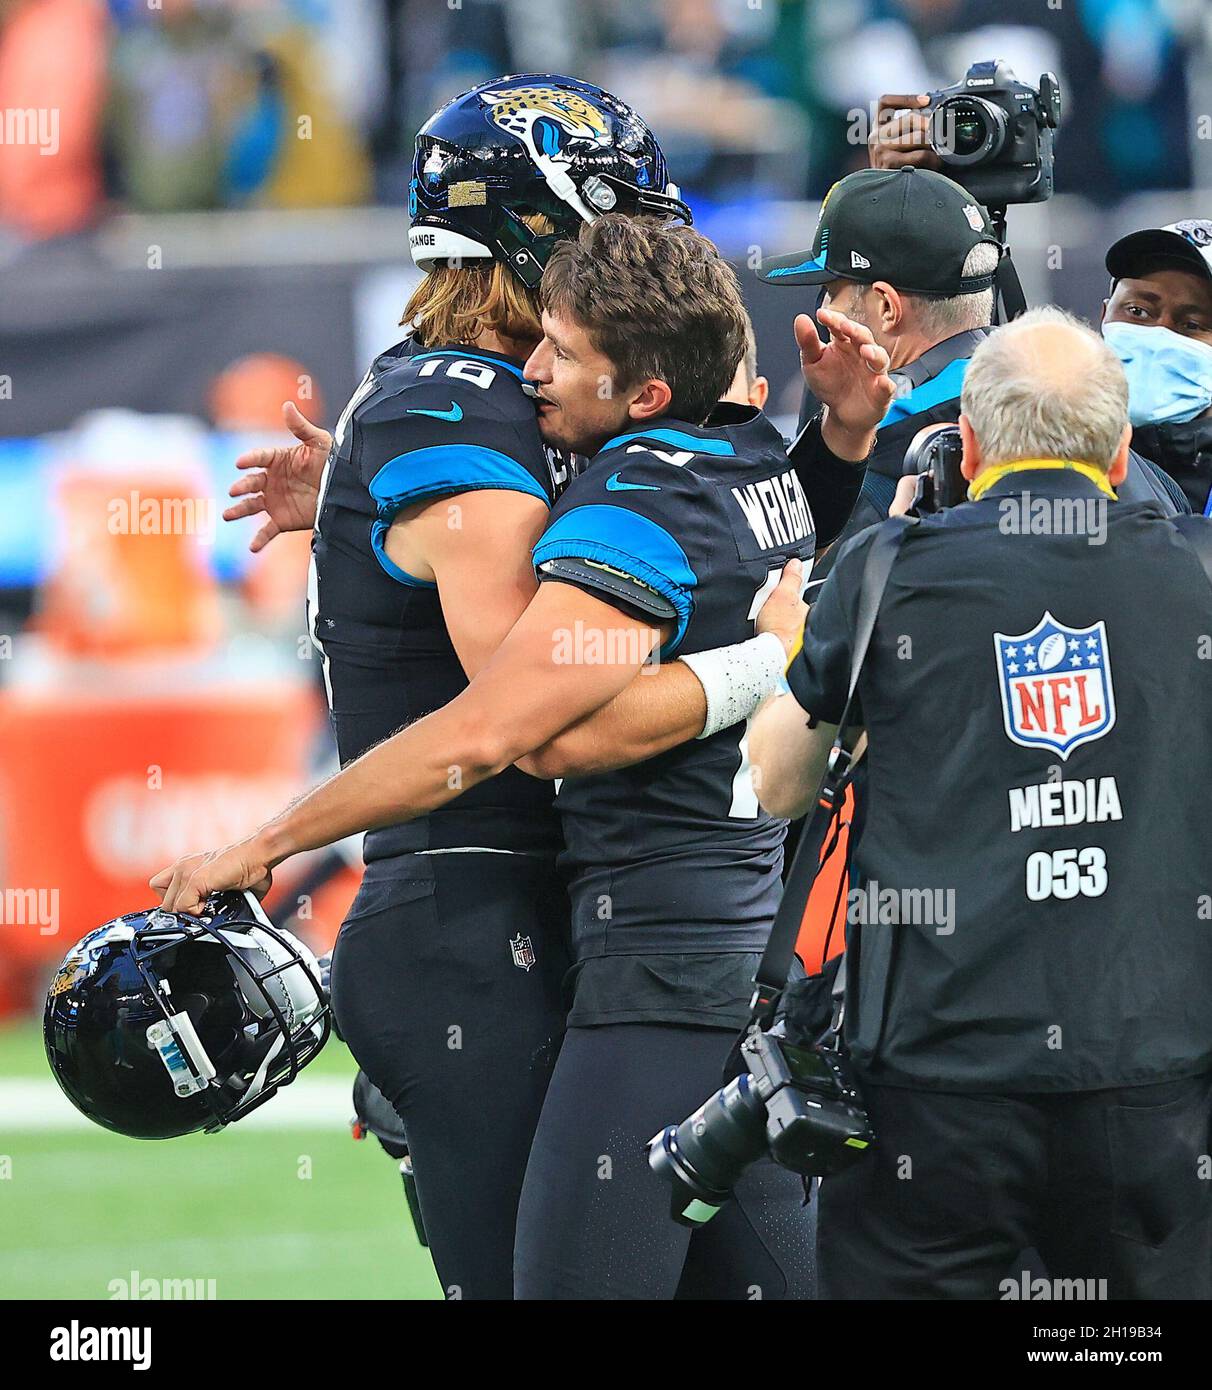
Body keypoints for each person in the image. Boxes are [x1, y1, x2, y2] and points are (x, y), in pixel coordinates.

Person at [153, 214, 897, 1298]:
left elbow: (514, 732)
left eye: (562, 354)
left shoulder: (638, 500)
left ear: (643, 397)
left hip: (653, 973)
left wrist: (264, 840)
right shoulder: (746, 455)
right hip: (731, 965)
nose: (532, 374)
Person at [219, 73, 704, 1302]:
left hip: (519, 911)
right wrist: (761, 664)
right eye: (615, 213)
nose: (643, 241)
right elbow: (525, 702)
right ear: (541, 224)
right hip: (478, 916)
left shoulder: (480, 395)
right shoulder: (460, 396)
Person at [749, 306, 1212, 1300]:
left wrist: (790, 643)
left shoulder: (886, 572)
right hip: (1154, 1081)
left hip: (935, 1086)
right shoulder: (1201, 574)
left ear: (968, 443)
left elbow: (778, 783)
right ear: (1122, 450)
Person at [763, 165, 1187, 578]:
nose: (822, 311)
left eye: (831, 291)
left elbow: (797, 616)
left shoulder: (903, 469)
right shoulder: (1129, 457)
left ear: (887, 308)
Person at [865, 93, 1199, 515]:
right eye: (1138, 311)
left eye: (1191, 324)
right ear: (1103, 316)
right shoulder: (970, 423)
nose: (1157, 336)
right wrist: (891, 202)